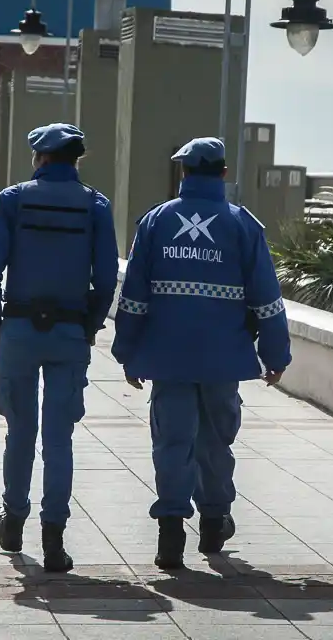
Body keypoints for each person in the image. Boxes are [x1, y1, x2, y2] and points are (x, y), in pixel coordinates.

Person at [111, 137, 291, 570]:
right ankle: (213, 523)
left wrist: (127, 350)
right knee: (215, 442)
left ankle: (170, 534)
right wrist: (276, 355)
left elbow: (133, 296)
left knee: (172, 441)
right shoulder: (243, 225)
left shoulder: (156, 221)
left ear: (184, 172)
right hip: (222, 359)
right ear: (224, 173)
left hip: (168, 357)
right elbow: (267, 298)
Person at [0, 122, 119, 573]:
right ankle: (54, 538)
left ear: (39, 158)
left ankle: (13, 518)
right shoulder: (96, 205)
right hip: (69, 332)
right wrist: (90, 325)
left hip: (19, 329)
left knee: (19, 429)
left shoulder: (13, 199)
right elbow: (106, 279)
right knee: (59, 439)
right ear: (76, 159)